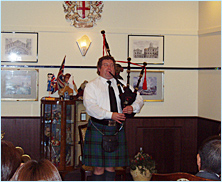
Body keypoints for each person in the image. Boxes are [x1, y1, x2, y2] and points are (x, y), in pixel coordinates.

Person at [83, 55, 144, 181]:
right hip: (98, 128)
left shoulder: (121, 84)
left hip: (116, 129)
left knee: (111, 167)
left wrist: (133, 108)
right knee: (99, 168)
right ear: (99, 68)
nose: (109, 68)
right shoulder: (92, 86)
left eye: (111, 65)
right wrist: (111, 115)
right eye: (105, 65)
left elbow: (139, 99)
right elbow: (91, 107)